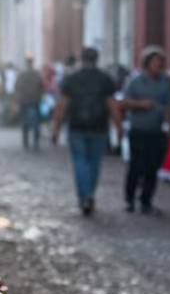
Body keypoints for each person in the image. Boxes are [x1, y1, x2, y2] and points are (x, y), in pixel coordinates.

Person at [51, 47, 121, 214]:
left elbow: (62, 106)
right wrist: (118, 126)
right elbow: (112, 105)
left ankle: (85, 196)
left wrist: (56, 128)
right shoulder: (105, 79)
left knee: (80, 161)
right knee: (95, 161)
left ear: (81, 59)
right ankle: (89, 193)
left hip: (77, 125)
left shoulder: (71, 79)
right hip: (99, 125)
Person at [121, 46, 170, 214]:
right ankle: (129, 199)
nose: (157, 65)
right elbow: (124, 102)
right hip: (138, 128)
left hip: (156, 130)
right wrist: (141, 104)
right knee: (136, 165)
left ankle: (146, 200)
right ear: (147, 63)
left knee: (152, 167)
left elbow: (168, 106)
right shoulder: (135, 81)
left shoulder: (164, 83)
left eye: (160, 62)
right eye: (154, 62)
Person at [15, 56, 45, 150]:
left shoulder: (21, 74)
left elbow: (17, 87)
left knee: (24, 121)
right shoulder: (36, 74)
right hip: (34, 100)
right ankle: (35, 141)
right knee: (36, 121)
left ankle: (26, 140)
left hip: (24, 100)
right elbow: (41, 86)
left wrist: (17, 98)